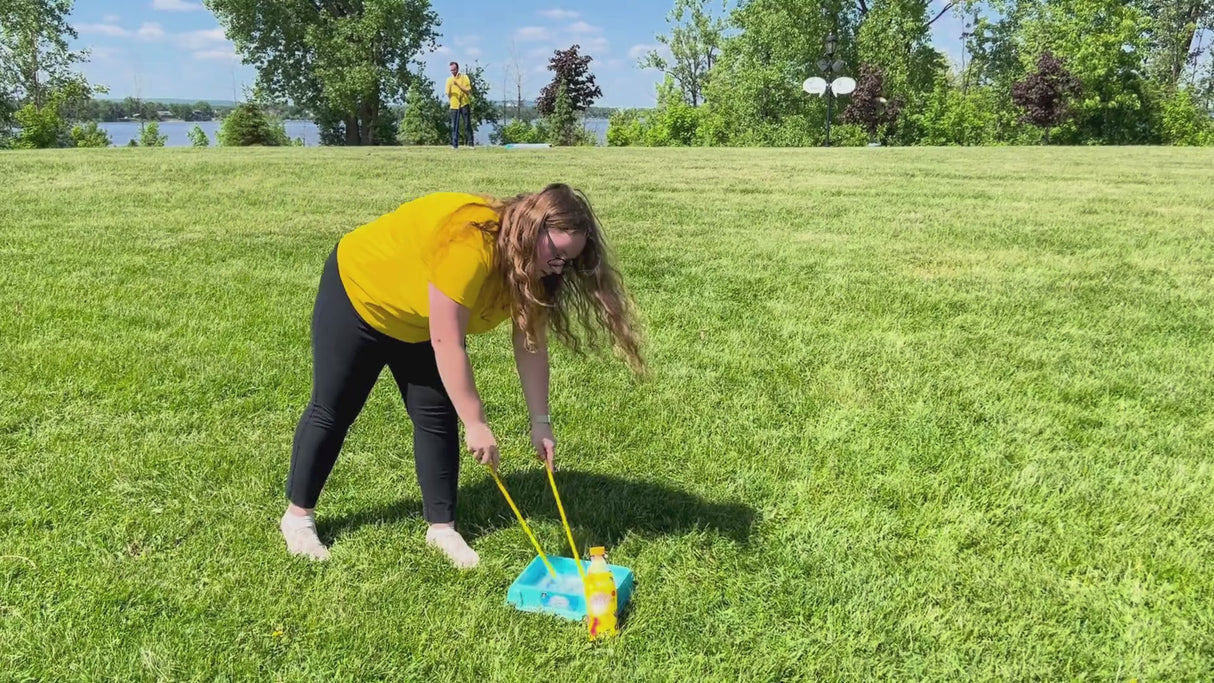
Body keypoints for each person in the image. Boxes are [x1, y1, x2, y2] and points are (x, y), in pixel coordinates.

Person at [279, 184, 645, 567]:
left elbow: (531, 345)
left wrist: (541, 422)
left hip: (422, 317)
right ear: (531, 228)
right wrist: (477, 422)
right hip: (362, 291)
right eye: (557, 253)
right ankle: (298, 518)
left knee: (435, 415)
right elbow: (447, 341)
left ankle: (442, 528)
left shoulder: (535, 270)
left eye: (569, 260)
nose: (560, 267)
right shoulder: (469, 244)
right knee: (334, 408)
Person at [445, 61, 474, 149]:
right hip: (454, 105)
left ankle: (471, 144)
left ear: (457, 69)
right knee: (455, 125)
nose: (453, 72)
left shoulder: (464, 78)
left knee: (467, 124)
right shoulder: (449, 80)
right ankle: (455, 145)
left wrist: (458, 85)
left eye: (454, 70)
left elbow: (468, 90)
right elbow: (448, 93)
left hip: (464, 104)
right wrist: (451, 98)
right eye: (451, 70)